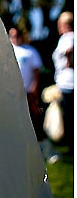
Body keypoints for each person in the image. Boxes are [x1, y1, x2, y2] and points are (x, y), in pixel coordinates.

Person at [9, 25, 56, 160]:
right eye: (12, 36)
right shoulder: (7, 51)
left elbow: (36, 72)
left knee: (35, 121)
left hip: (28, 92)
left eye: (16, 35)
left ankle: (47, 150)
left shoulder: (30, 51)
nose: (14, 38)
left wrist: (34, 88)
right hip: (13, 94)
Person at [52, 11, 74, 151]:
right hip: (67, 82)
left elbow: (70, 49)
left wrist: (69, 59)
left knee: (70, 116)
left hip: (69, 83)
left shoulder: (68, 37)